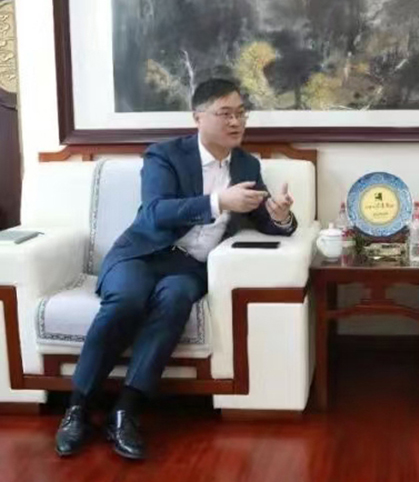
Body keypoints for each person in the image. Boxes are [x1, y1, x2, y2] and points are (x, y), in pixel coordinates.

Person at [55, 78, 297, 460]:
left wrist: (280, 215)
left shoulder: (247, 164)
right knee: (127, 301)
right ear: (198, 117)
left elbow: (264, 218)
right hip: (142, 254)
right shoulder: (165, 155)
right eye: (225, 114)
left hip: (189, 267)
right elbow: (156, 212)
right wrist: (219, 201)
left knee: (176, 299)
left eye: (241, 113)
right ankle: (77, 409)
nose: (236, 122)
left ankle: (126, 411)